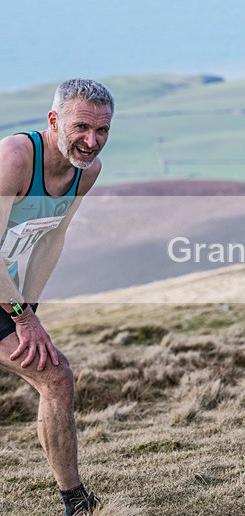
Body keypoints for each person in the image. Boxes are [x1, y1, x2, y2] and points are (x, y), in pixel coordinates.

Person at [0, 79, 113, 515]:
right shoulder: (14, 159)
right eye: (81, 127)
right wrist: (23, 318)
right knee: (56, 375)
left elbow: (51, 239)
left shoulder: (87, 169)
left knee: (55, 376)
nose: (91, 141)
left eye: (102, 130)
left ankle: (76, 501)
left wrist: (29, 306)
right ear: (53, 120)